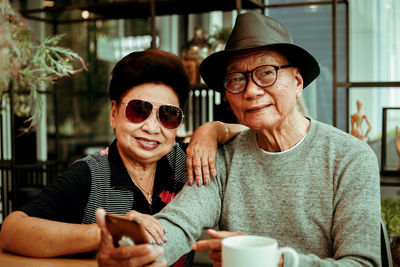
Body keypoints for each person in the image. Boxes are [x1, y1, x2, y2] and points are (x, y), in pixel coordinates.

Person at [97, 12, 381, 266]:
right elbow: (180, 223)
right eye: (236, 79)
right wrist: (139, 252)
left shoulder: (350, 157)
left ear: (297, 82)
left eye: (266, 73)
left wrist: (279, 261)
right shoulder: (222, 157)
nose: (251, 91)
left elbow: (361, 263)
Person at [0, 49, 244, 265]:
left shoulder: (190, 162)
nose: (152, 127)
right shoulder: (91, 173)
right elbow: (12, 230)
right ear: (114, 113)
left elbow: (254, 135)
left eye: (168, 115)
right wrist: (107, 231)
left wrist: (212, 130)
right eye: (139, 110)